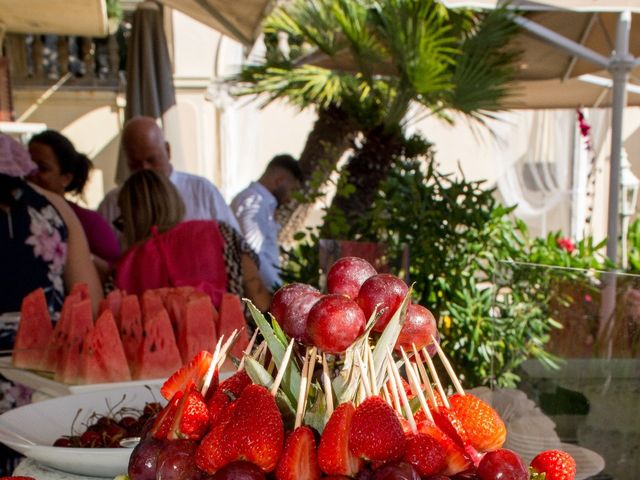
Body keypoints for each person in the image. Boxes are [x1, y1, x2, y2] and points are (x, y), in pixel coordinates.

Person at [114, 169, 271, 313]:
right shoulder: (220, 232)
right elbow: (254, 286)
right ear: (174, 199)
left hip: (161, 343)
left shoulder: (124, 267)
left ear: (131, 219)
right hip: (237, 339)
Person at [0, 134, 103, 318]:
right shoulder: (57, 209)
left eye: (43, 168)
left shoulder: (74, 215)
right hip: (50, 343)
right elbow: (91, 306)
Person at [98, 116, 240, 234]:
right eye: (135, 164)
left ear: (168, 150)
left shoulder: (201, 191)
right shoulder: (113, 203)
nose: (145, 169)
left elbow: (236, 245)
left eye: (152, 160)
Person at [27, 130, 121, 278]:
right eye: (27, 165)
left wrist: (79, 258)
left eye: (42, 168)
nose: (32, 173)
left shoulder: (89, 222)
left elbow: (116, 271)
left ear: (66, 178)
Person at [231, 154, 303, 290]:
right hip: (256, 297)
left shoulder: (260, 203)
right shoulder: (255, 202)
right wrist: (276, 292)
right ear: (279, 180)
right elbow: (253, 255)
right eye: (292, 190)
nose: (291, 198)